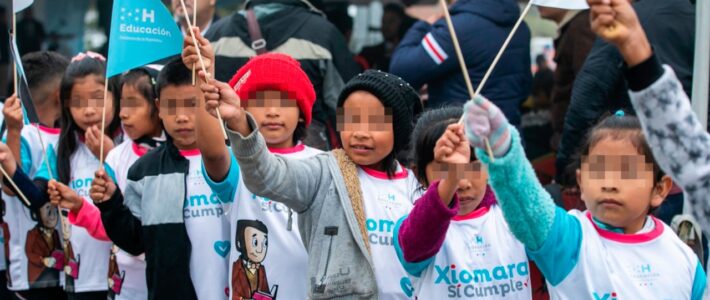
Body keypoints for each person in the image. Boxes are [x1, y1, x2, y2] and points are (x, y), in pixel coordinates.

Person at [458, 3, 707, 291]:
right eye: (597, 172)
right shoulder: (571, 239)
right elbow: (529, 207)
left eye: (626, 173)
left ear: (660, 188)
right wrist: (504, 154)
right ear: (580, 181)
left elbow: (696, 163)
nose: (610, 185)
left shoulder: (683, 258)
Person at [195, 60, 423, 297]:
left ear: (399, 129)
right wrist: (240, 122)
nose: (360, 133)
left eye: (374, 123)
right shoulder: (326, 172)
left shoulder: (416, 188)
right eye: (351, 120)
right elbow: (268, 175)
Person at [89, 58, 231, 300]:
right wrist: (111, 203)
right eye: (172, 106)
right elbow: (135, 242)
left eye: (191, 105)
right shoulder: (144, 171)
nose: (182, 117)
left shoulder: (231, 160)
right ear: (158, 107)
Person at [187, 50, 321, 299]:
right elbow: (214, 154)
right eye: (259, 101)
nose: (272, 111)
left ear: (302, 111)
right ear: (240, 110)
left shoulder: (323, 164)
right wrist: (203, 78)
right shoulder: (237, 164)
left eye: (284, 101)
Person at [394, 107, 534, 299]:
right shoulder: (409, 228)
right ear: (419, 175)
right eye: (447, 169)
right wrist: (449, 181)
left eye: (474, 167)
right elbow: (414, 246)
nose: (463, 183)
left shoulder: (513, 216)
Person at [51, 67, 165, 300]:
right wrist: (79, 206)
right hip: (127, 287)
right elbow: (114, 229)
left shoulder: (175, 158)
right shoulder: (116, 158)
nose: (123, 114)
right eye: (122, 104)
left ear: (159, 106)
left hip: (169, 281)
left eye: (133, 104)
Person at [555, 0, 696, 186]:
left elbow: (587, 96)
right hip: (687, 162)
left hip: (632, 161)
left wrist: (566, 170)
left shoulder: (628, 20)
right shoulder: (698, 18)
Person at [205, 0, 360, 151]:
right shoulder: (324, 34)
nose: (273, 111)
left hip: (231, 161)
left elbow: (204, 108)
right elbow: (350, 112)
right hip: (309, 160)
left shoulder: (216, 35)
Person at [36, 52, 122, 300]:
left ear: (115, 95)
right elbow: (37, 192)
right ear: (65, 105)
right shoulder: (64, 148)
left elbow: (137, 192)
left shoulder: (127, 143)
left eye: (98, 99)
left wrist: (110, 155)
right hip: (80, 276)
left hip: (123, 275)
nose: (88, 110)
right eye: (77, 102)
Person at [389, 0, 531, 125]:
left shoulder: (454, 29)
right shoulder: (521, 28)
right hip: (508, 142)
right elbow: (525, 88)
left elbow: (401, 71)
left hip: (460, 142)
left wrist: (424, 25)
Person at [1, 51, 68, 300]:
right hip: (33, 277)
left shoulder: (71, 137)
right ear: (61, 95)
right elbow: (10, 186)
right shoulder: (23, 135)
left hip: (70, 269)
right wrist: (14, 131)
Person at [359, 3, 416, 72]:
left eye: (391, 21)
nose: (386, 26)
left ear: (401, 23)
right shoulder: (369, 53)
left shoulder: (409, 54)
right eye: (384, 22)